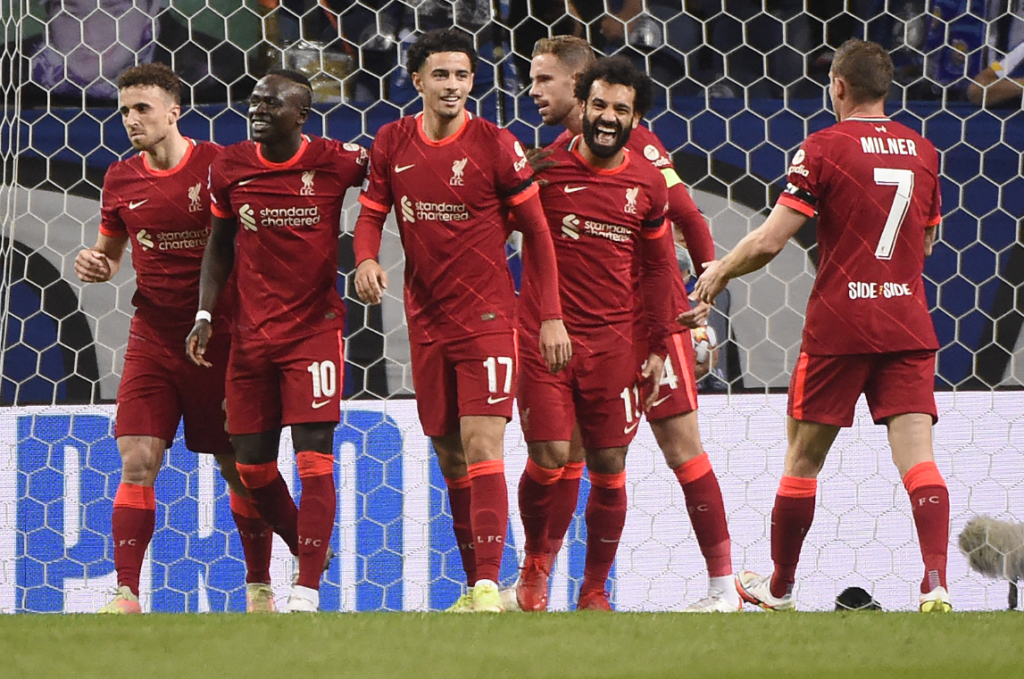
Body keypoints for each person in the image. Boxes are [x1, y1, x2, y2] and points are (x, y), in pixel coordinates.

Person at [695, 38, 952, 613]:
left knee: (803, 461)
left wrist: (720, 271)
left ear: (837, 85)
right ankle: (935, 584)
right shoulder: (922, 151)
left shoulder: (823, 147)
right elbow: (927, 243)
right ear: (886, 88)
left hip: (841, 325)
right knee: (919, 460)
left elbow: (770, 240)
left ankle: (780, 588)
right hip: (907, 323)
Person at [516, 36, 739, 613]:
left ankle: (722, 588)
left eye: (543, 80)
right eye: (532, 80)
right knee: (565, 455)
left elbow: (684, 220)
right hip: (574, 330)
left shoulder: (643, 153)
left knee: (678, 446)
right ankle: (541, 576)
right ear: (586, 100)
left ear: (575, 83)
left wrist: (700, 299)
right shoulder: (547, 161)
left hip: (644, 326)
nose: (533, 91)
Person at [351, 28, 570, 614]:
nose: (452, 85)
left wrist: (550, 316)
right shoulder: (392, 140)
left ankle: (489, 587)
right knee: (449, 455)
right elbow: (370, 215)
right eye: (441, 75)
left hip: (488, 317)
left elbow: (538, 234)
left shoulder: (496, 144)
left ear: (473, 81)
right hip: (426, 320)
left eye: (462, 75)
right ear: (417, 80)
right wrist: (365, 258)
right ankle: (477, 586)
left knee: (481, 445)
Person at [74, 63, 277, 614]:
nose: (131, 120)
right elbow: (111, 254)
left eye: (142, 108)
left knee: (238, 466)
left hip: (221, 341)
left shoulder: (219, 166)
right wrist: (97, 264)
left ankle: (259, 588)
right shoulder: (120, 179)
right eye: (124, 111)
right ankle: (126, 593)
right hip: (154, 339)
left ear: (173, 112)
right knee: (138, 458)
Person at [186, 69, 368, 613]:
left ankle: (306, 589)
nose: (257, 109)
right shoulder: (230, 167)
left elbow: (396, 171)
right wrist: (204, 313)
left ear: (301, 115)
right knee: (252, 469)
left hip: (314, 332)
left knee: (314, 459)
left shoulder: (336, 160)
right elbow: (219, 245)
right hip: (251, 337)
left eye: (271, 103)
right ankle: (307, 546)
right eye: (254, 101)